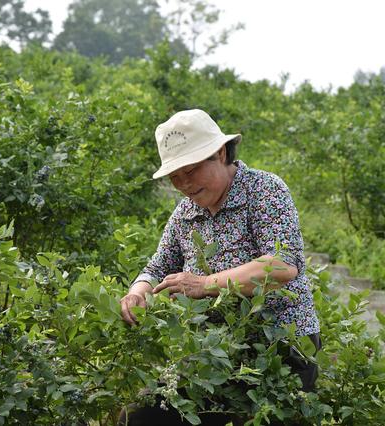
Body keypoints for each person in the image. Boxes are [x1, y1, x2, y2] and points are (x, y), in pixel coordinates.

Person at [118, 109, 321, 425]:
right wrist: (137, 292)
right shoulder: (185, 213)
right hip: (214, 350)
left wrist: (204, 284)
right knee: (141, 417)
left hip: (279, 347)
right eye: (176, 177)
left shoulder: (264, 190)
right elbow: (157, 266)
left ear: (221, 152)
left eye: (192, 170)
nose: (184, 184)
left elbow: (282, 265)